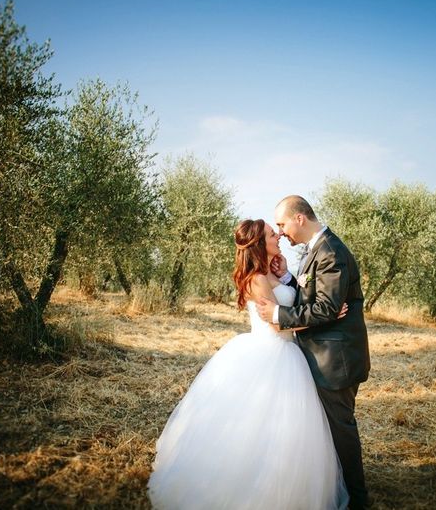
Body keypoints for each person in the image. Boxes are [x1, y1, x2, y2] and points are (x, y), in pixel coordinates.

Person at [147, 218, 349, 510]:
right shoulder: (256, 279)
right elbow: (279, 326)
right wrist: (327, 315)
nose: (278, 235)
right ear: (258, 243)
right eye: (271, 233)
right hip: (271, 353)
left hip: (289, 354)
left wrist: (289, 278)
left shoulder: (273, 273)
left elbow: (292, 306)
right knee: (260, 424)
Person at [255, 195, 371, 510]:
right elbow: (317, 298)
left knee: (341, 430)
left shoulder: (331, 251)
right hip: (323, 355)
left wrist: (278, 316)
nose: (280, 233)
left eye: (281, 224)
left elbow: (326, 308)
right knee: (328, 429)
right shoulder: (318, 249)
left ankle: (358, 501)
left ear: (299, 219)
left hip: (336, 361)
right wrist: (290, 278)